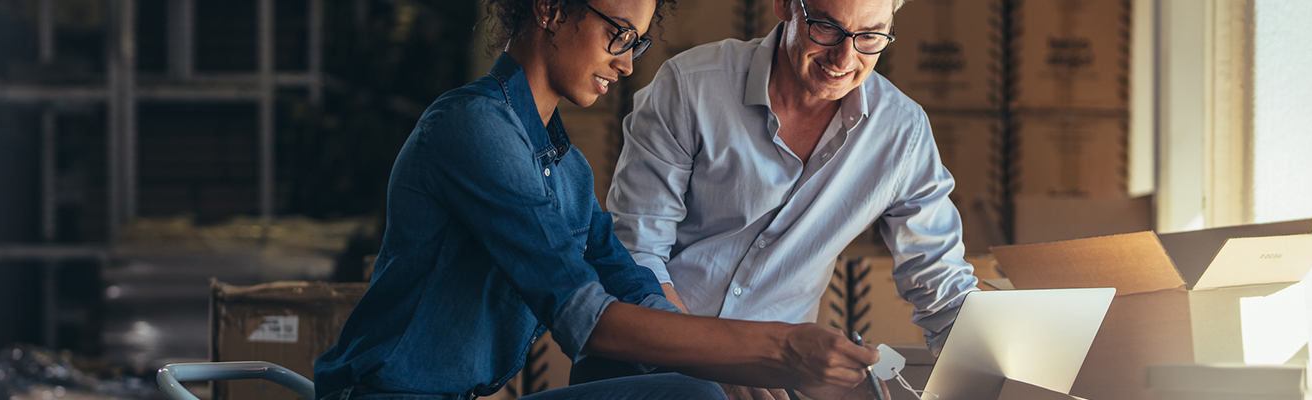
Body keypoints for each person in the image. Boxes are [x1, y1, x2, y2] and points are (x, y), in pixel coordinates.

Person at [313, 0, 886, 399]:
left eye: (638, 42)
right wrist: (782, 348)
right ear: (551, 9)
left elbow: (634, 287)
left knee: (694, 389)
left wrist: (752, 366)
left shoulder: (567, 167)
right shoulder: (472, 128)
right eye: (618, 33)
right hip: (390, 395)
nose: (627, 62)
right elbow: (585, 319)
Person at [593, 0, 980, 398]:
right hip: (644, 367)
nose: (845, 58)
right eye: (827, 28)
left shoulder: (902, 132)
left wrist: (1003, 364)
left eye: (869, 36)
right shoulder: (691, 87)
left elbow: (942, 286)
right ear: (784, 6)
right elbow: (635, 257)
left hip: (775, 387)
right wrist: (713, 361)